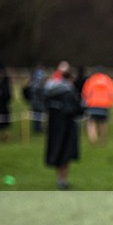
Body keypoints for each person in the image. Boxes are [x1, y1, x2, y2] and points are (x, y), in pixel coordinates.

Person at [44, 61, 83, 189]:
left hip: (53, 126)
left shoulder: (50, 89)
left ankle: (59, 179)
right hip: (66, 127)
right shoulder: (69, 91)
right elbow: (75, 109)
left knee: (57, 151)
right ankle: (63, 180)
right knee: (65, 154)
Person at [81, 68, 113, 146]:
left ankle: (93, 140)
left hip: (92, 104)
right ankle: (102, 140)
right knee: (103, 123)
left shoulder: (91, 80)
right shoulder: (108, 80)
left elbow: (85, 93)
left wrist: (85, 103)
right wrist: (110, 103)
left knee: (91, 122)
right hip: (105, 104)